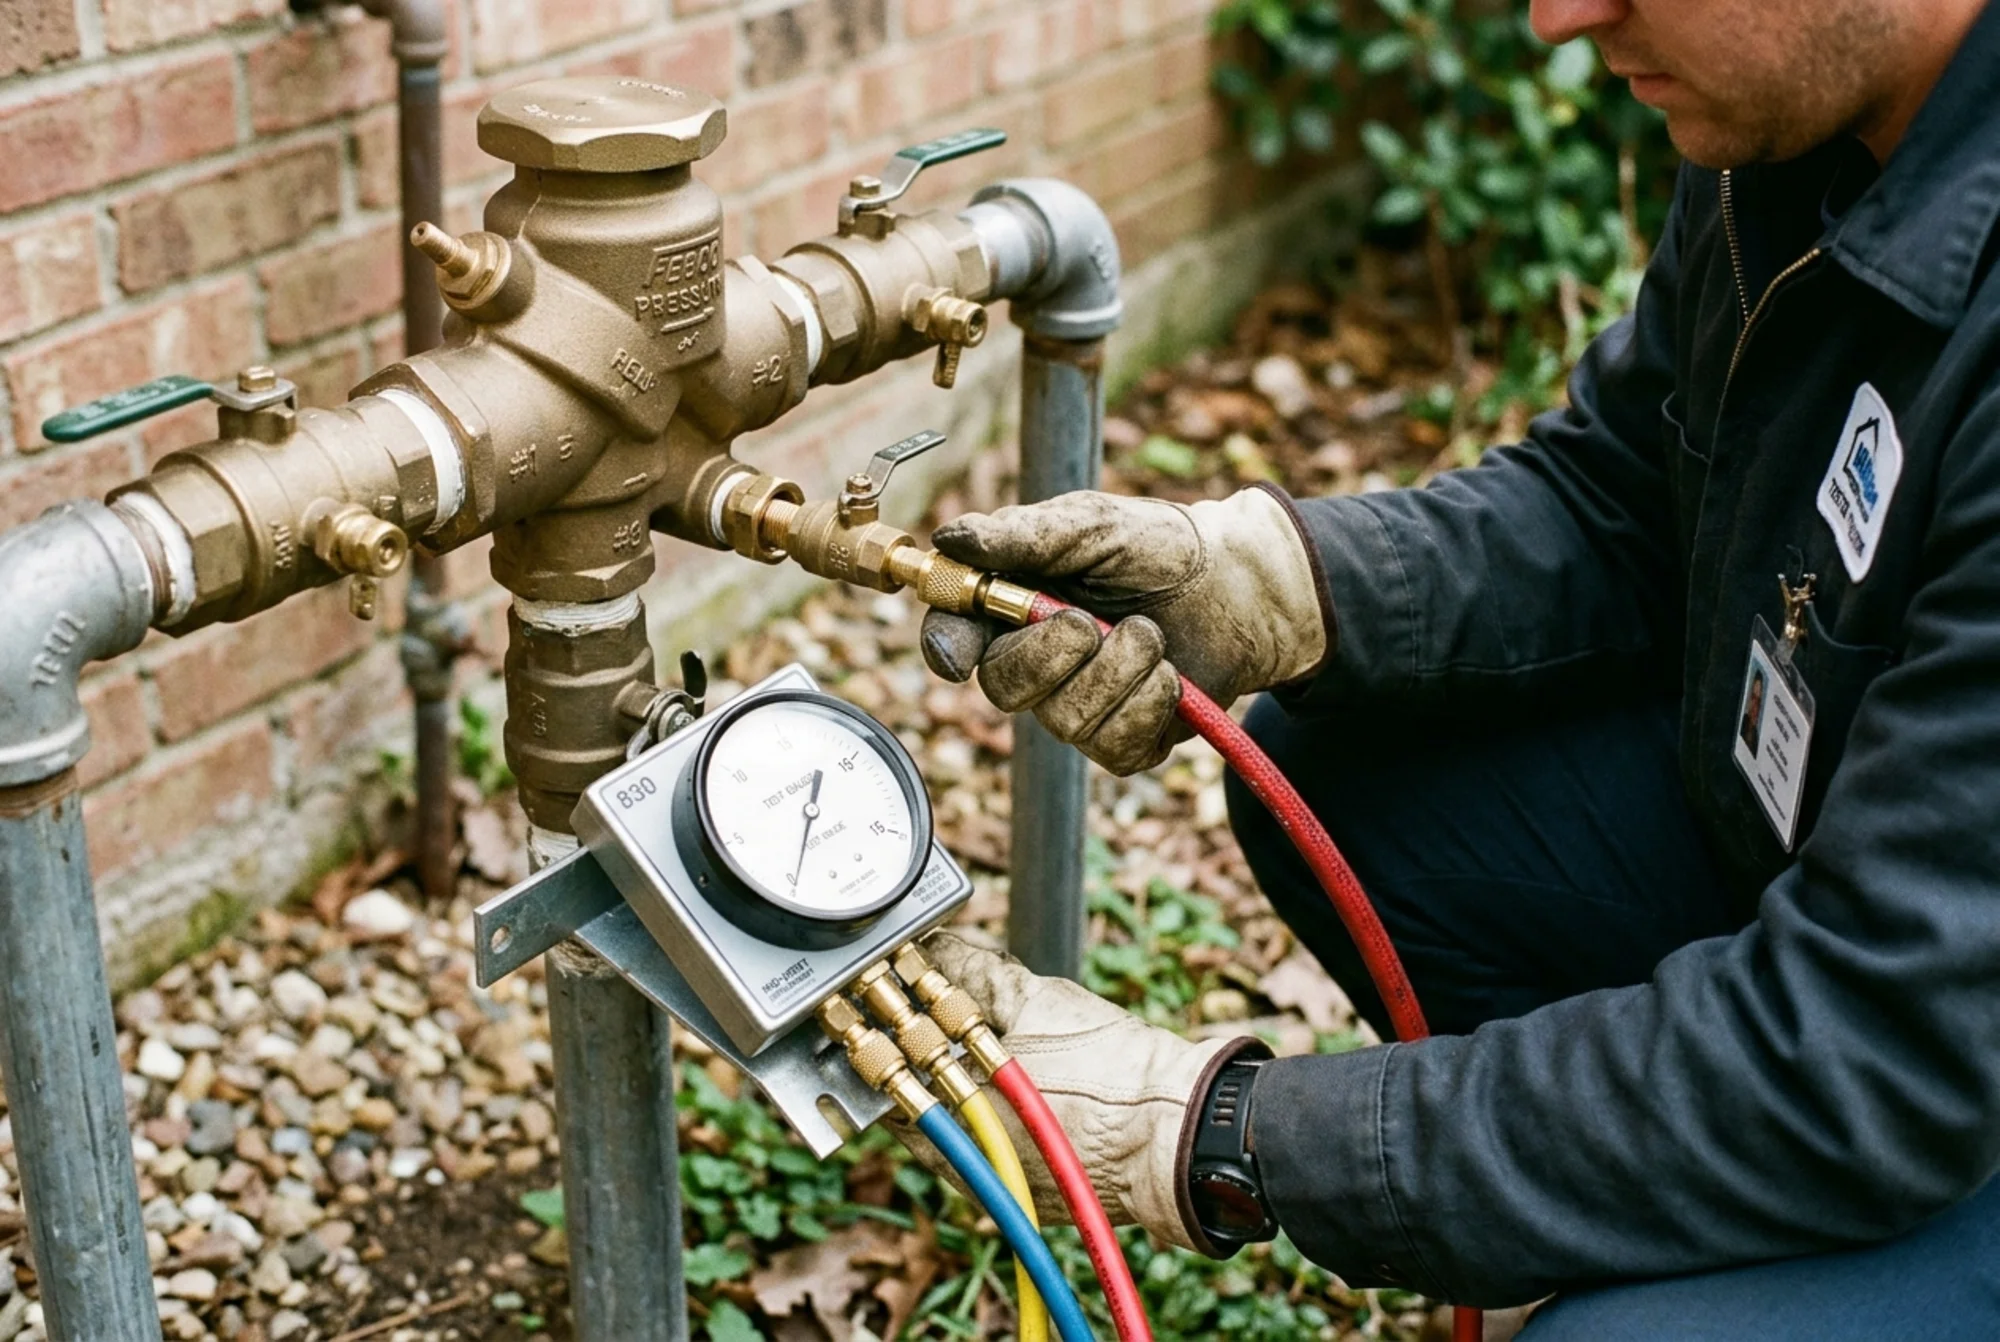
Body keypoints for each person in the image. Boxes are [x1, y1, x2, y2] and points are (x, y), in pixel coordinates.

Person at [914, 0, 2000, 1335]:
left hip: (1938, 1061)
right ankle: (1669, 1228)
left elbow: (1877, 1040)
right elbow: (1623, 497)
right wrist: (1282, 587)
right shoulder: (1797, 130)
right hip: (1866, 910)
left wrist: (1217, 1129)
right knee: (1341, 762)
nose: (1559, 17)